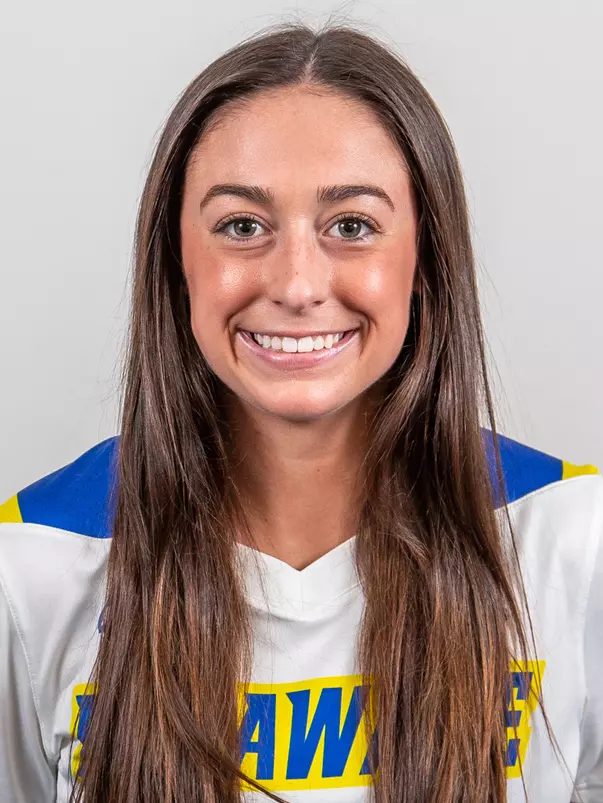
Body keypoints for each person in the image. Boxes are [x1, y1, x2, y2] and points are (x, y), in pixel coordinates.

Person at [0, 19, 601, 803]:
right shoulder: (34, 563)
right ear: (176, 260)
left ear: (423, 260)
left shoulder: (568, 537)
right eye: (241, 226)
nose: (296, 283)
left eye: (351, 225)